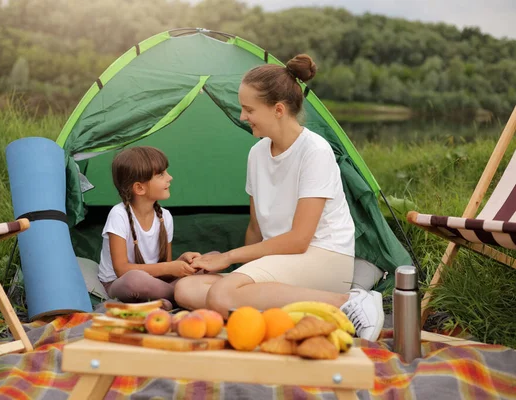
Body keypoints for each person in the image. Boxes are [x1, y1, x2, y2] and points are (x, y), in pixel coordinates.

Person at [174, 54, 385, 341]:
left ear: (278, 110)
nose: (242, 117)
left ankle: (348, 303)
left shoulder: (315, 151)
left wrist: (227, 259)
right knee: (186, 289)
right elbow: (255, 228)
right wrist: (243, 273)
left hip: (322, 257)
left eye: (249, 110)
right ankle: (301, 313)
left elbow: (299, 240)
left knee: (222, 296)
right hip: (281, 260)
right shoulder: (257, 154)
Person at [97, 146, 201, 311]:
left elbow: (165, 270)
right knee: (135, 280)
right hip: (119, 283)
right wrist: (169, 267)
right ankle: (182, 296)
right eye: (161, 174)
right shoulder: (119, 215)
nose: (170, 177)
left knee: (209, 260)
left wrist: (180, 263)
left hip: (156, 282)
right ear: (139, 188)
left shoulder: (164, 216)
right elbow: (122, 270)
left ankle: (163, 299)